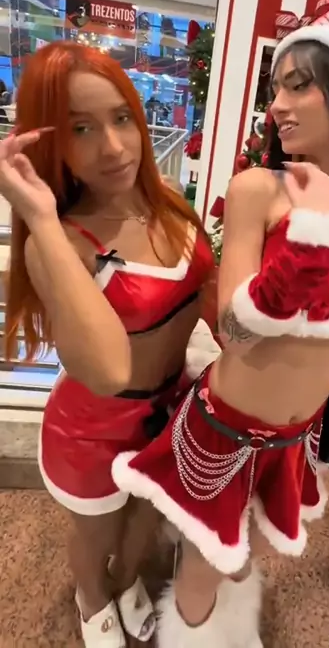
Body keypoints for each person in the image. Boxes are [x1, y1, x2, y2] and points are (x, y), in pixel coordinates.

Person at [111, 14, 329, 647]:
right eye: (275, 90)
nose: (277, 108)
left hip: (295, 441)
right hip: (223, 432)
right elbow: (234, 329)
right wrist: (308, 236)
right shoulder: (258, 189)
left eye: (298, 86)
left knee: (247, 556)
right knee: (204, 570)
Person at [2, 42, 218, 647]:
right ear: (50, 143)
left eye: (122, 117)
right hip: (92, 429)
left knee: (145, 517)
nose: (116, 147)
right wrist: (41, 218)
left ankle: (124, 582)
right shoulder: (59, 244)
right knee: (95, 534)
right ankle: (91, 596)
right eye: (81, 129)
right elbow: (106, 371)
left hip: (169, 408)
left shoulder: (166, 199)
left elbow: (210, 296)